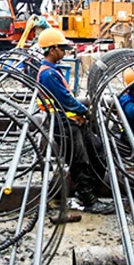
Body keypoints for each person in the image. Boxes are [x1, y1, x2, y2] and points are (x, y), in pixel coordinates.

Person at [36, 28, 113, 214]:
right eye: (62, 48)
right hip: (64, 125)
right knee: (80, 161)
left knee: (98, 151)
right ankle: (88, 199)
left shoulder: (52, 71)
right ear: (52, 49)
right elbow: (66, 101)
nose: (64, 52)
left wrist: (80, 115)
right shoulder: (48, 74)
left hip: (72, 122)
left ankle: (89, 192)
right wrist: (85, 111)